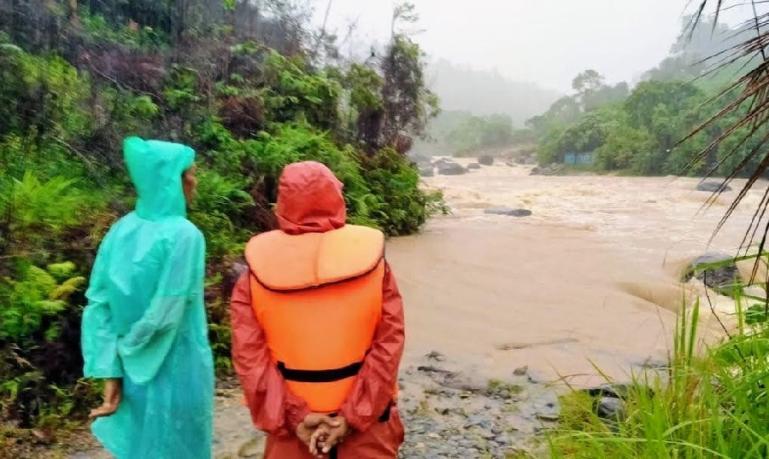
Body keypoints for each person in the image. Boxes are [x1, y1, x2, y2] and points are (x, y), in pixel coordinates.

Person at [230, 161, 406, 458]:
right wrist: (351, 418)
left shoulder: (253, 277)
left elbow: (251, 361)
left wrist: (295, 417)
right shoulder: (376, 266)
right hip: (369, 427)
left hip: (292, 434)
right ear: (337, 200)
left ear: (282, 206)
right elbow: (389, 346)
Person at [81, 137, 214, 459]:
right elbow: (167, 310)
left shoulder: (120, 230)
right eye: (190, 173)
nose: (195, 181)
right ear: (172, 180)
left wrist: (112, 366)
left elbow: (99, 304)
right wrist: (131, 350)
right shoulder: (185, 235)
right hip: (180, 368)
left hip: (131, 373)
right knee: (181, 447)